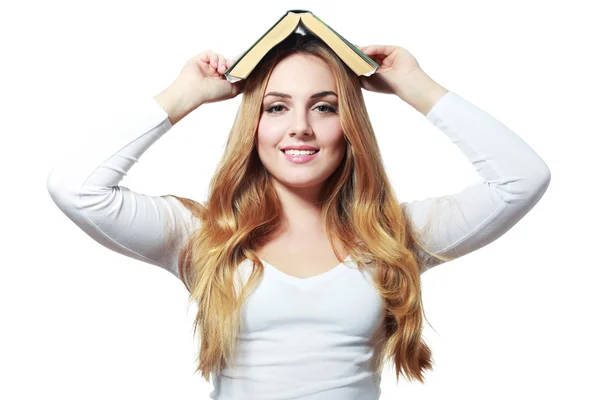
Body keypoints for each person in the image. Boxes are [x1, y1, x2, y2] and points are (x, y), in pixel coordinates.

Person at [46, 33, 551, 400]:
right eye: (277, 107)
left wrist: (414, 85)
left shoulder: (394, 236)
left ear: (350, 125)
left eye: (326, 108)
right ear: (253, 124)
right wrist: (186, 96)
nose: (301, 128)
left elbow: (521, 179)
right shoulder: (204, 238)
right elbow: (76, 187)